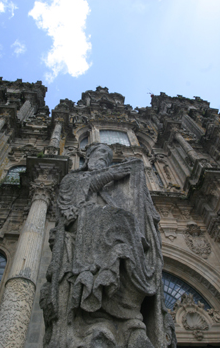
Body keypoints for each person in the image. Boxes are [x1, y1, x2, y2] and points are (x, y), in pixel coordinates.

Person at [40, 143, 176, 348]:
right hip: (82, 224)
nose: (105, 158)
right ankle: (99, 302)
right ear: (88, 156)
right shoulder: (72, 178)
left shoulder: (113, 187)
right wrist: (114, 172)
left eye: (109, 156)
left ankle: (130, 314)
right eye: (101, 153)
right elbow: (76, 198)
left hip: (106, 225)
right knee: (118, 222)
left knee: (127, 231)